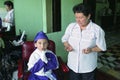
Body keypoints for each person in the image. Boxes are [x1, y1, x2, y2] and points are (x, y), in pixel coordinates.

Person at [61, 3, 106, 80]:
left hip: (88, 67)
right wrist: (67, 46)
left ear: (88, 16)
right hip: (72, 64)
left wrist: (91, 49)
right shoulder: (71, 26)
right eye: (76, 17)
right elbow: (64, 39)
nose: (78, 20)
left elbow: (102, 47)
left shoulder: (97, 30)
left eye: (81, 17)